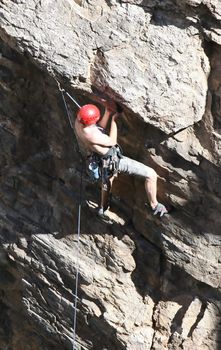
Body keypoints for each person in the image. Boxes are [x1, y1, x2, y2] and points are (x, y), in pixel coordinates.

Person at [74, 101, 169, 217]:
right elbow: (111, 142)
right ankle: (155, 205)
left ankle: (103, 208)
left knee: (107, 181)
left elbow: (99, 129)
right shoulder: (90, 134)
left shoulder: (79, 122)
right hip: (112, 160)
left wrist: (107, 112)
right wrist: (114, 120)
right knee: (151, 174)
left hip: (101, 158)